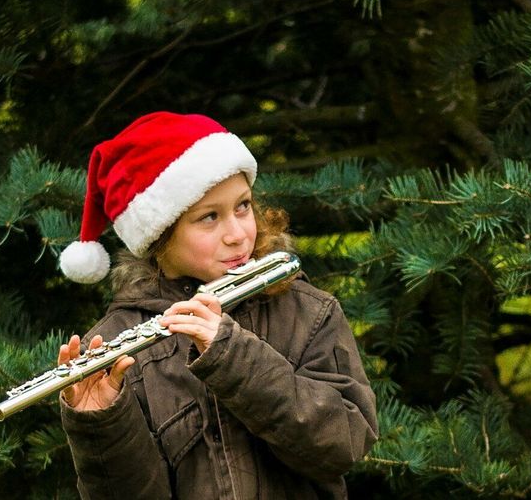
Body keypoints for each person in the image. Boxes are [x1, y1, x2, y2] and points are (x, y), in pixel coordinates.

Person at [55, 111, 378, 499]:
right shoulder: (113, 344)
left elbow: (343, 444)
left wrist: (233, 357)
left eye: (242, 206)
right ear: (159, 236)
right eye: (210, 217)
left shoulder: (308, 311)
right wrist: (100, 425)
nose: (238, 233)